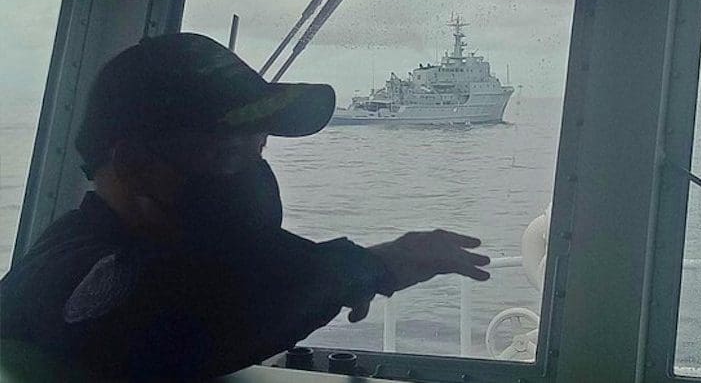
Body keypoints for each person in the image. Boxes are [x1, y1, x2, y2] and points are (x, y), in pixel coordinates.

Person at [0, 33, 490, 380]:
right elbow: (183, 317)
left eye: (257, 147)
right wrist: (367, 266)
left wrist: (358, 270)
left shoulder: (153, 244)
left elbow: (228, 277)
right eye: (226, 153)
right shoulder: (70, 266)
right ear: (135, 164)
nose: (251, 173)